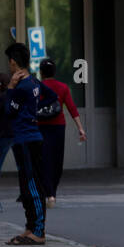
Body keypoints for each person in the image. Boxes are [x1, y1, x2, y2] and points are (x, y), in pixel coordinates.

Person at [3, 43, 46, 245]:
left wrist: (10, 87)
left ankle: (38, 230)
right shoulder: (35, 82)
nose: (9, 66)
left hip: (26, 139)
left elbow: (9, 111)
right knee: (26, 185)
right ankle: (30, 227)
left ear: (13, 62)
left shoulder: (22, 87)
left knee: (32, 184)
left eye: (9, 62)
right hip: (28, 137)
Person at [38, 58, 86, 207]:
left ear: (41, 72)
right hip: (58, 126)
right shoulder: (63, 87)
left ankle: (49, 194)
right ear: (55, 72)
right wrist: (80, 128)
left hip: (40, 126)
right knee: (57, 160)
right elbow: (72, 108)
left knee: (44, 159)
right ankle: (53, 192)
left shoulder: (36, 87)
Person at [0, 72, 16, 188]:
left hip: (4, 133)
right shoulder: (14, 95)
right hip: (16, 132)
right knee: (21, 163)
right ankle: (25, 191)